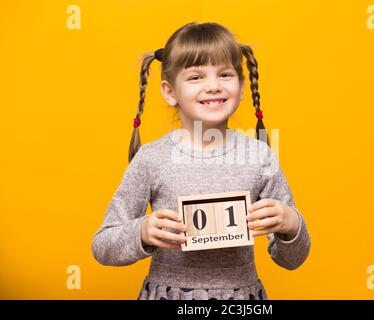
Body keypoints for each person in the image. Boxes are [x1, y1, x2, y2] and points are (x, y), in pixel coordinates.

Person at [92, 21, 311, 300]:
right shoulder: (152, 158)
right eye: (196, 77)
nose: (213, 86)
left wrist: (291, 225)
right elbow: (103, 246)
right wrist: (142, 232)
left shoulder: (259, 156)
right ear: (170, 92)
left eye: (225, 74)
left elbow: (292, 259)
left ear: (242, 87)